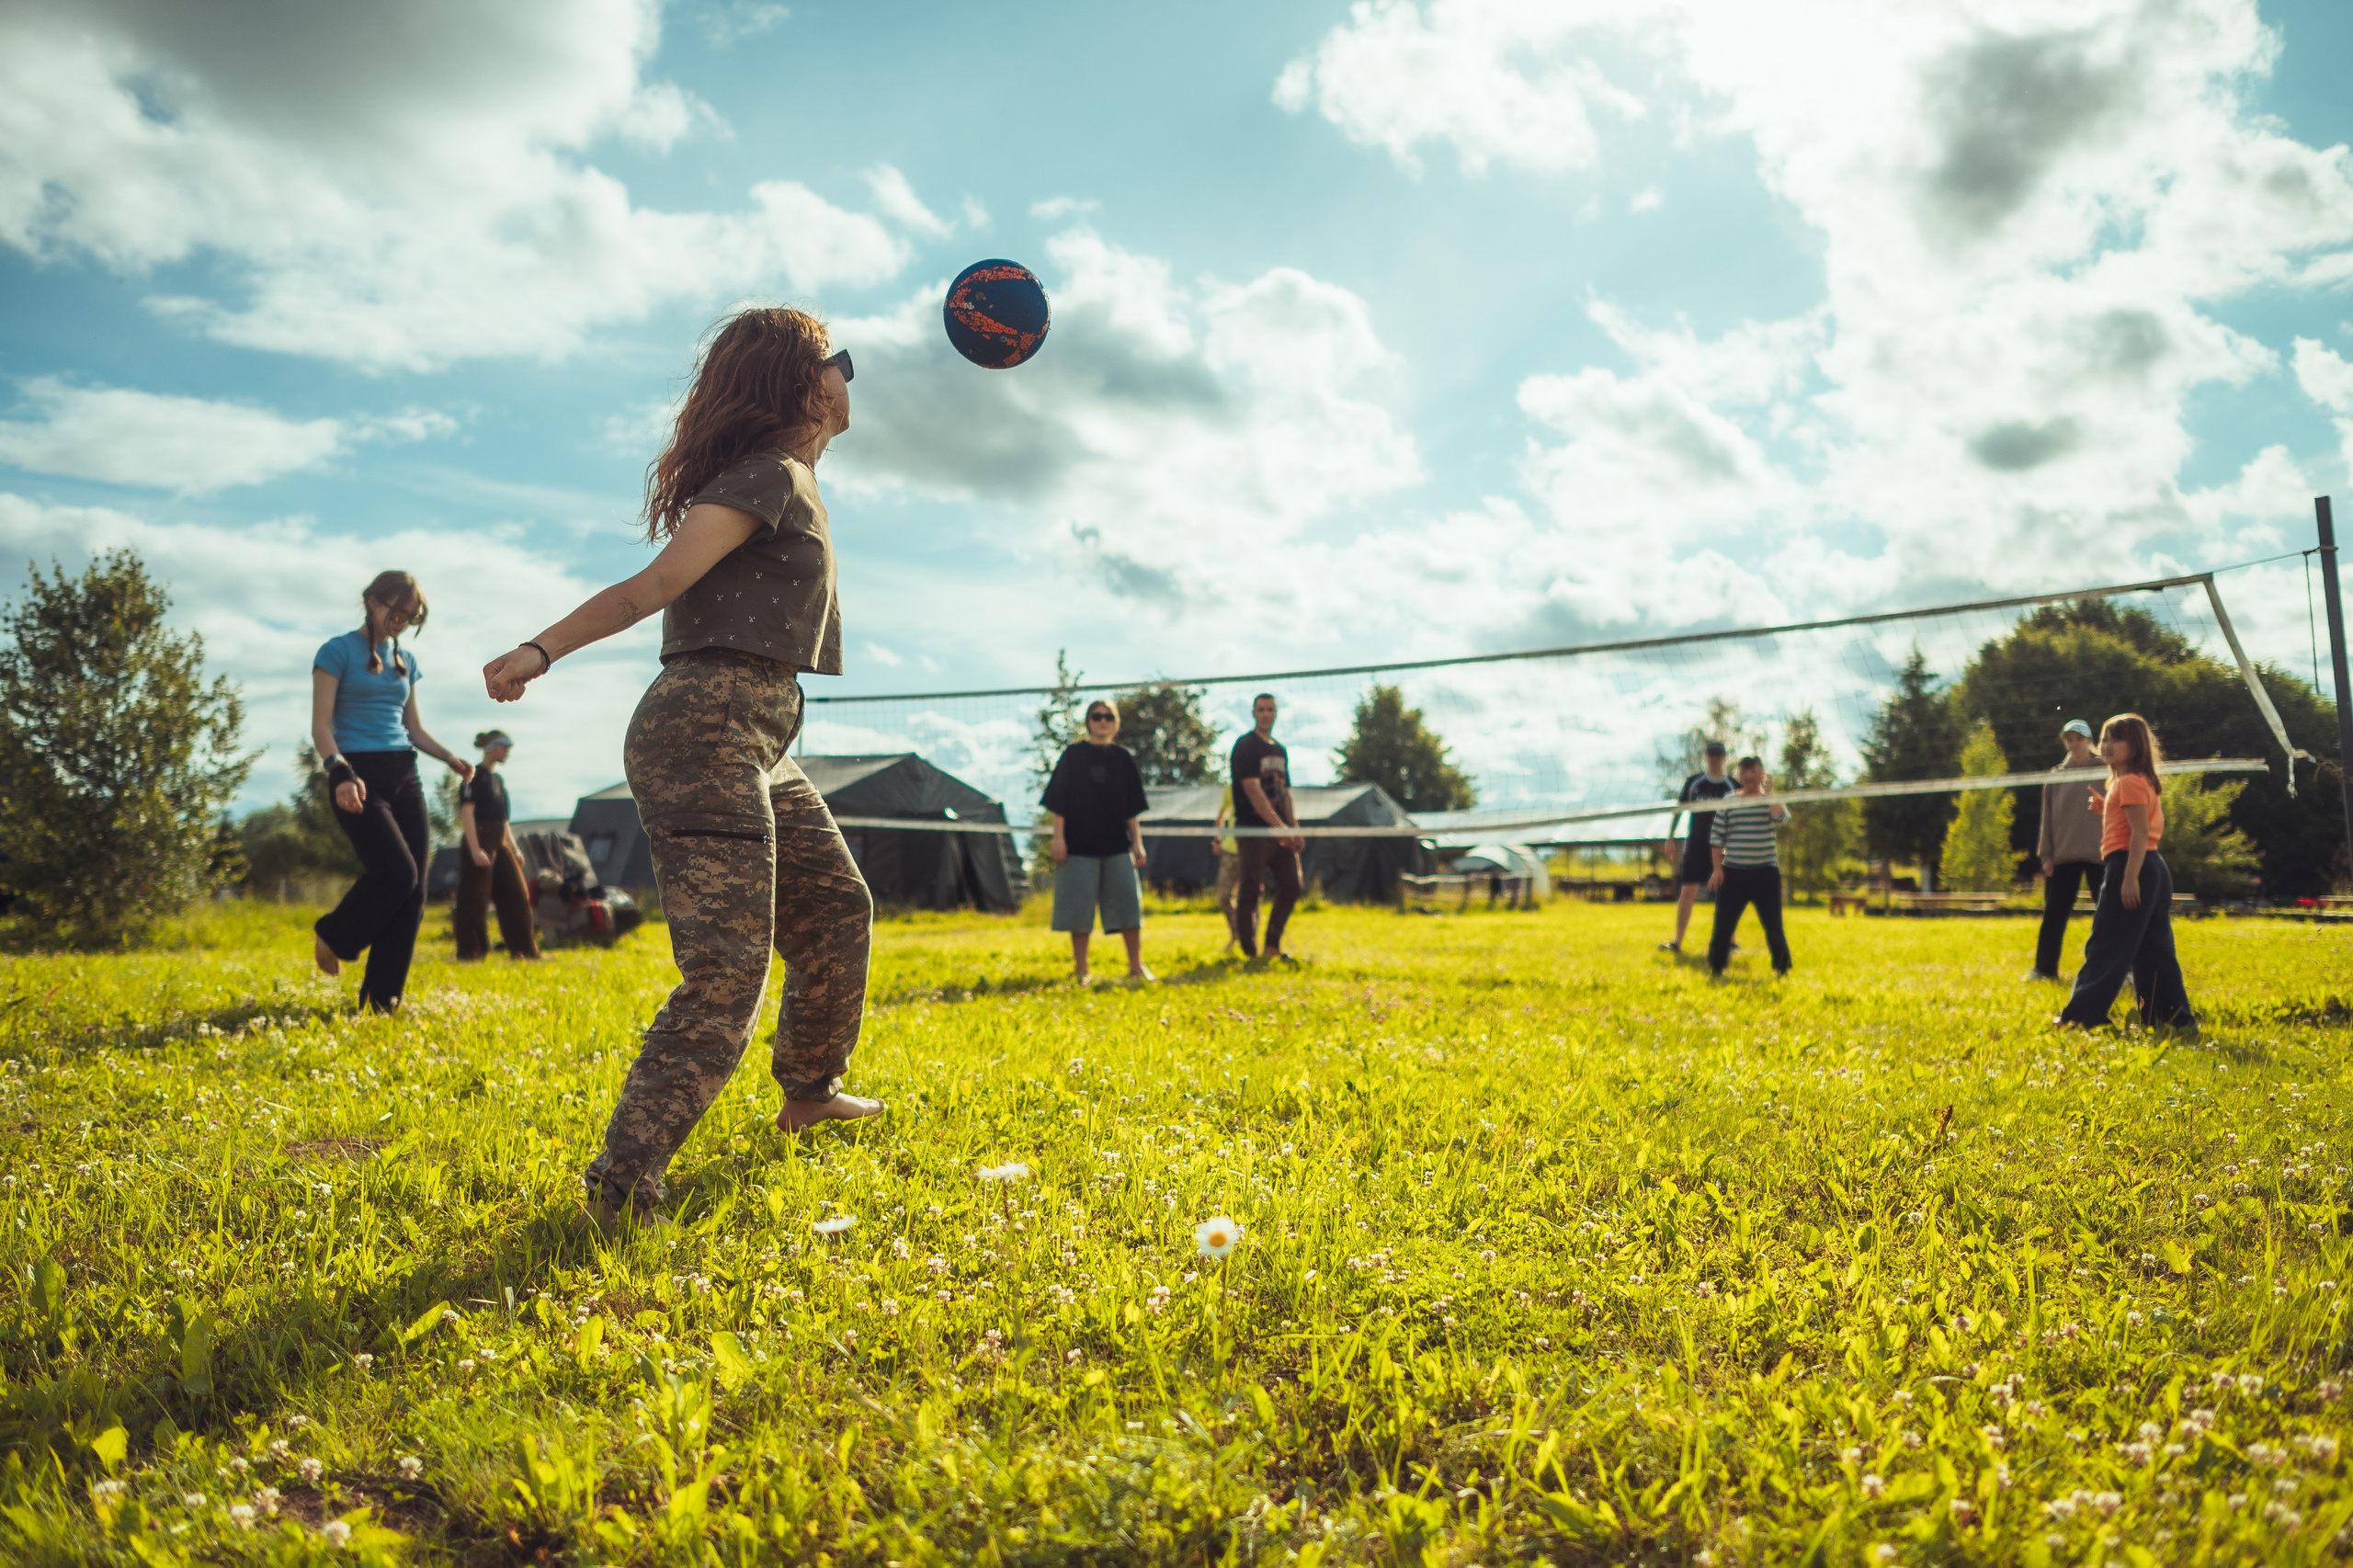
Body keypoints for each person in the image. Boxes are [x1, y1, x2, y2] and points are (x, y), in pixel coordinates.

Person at [482, 305, 881, 1230]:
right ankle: (624, 1183)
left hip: (754, 736)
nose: (851, 377)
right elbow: (651, 587)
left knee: (833, 901)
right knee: (726, 969)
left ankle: (810, 1090)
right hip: (707, 729)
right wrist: (538, 651)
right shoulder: (765, 475)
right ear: (801, 383)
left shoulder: (790, 478)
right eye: (839, 361)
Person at [311, 571, 473, 1013]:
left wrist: (450, 758)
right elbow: (320, 726)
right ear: (372, 601)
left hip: (405, 772)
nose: (402, 622)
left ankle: (381, 1001)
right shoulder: (336, 652)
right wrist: (340, 772)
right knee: (397, 874)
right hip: (355, 773)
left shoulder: (407, 662)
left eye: (412, 617)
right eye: (397, 612)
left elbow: (413, 728)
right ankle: (333, 934)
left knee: (416, 890)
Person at [2057, 714, 2196, 1033]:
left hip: (2133, 865)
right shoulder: (2135, 781)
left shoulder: (2128, 782)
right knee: (2154, 949)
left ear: (2135, 746)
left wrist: (2130, 877)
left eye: (2114, 739)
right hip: (2151, 867)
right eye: (2104, 739)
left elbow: (2138, 833)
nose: (2106, 746)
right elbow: (2133, 820)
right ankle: (2170, 1017)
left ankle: (2080, 1017)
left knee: (2106, 944)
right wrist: (2106, 807)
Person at [1041, 699, 1152, 983]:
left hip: (1116, 846)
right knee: (1079, 910)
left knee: (1129, 905)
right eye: (1096, 716)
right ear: (1088, 721)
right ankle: (1081, 971)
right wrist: (1058, 839)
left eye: (1108, 717)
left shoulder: (1123, 758)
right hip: (1077, 846)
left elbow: (1132, 808)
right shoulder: (1073, 755)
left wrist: (1137, 843)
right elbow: (1058, 802)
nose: (1102, 721)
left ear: (1115, 722)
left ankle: (1136, 967)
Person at [454, 729, 541, 962]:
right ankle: (471, 953)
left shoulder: (497, 780)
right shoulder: (473, 776)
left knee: (516, 894)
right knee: (474, 897)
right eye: (505, 748)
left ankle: (524, 950)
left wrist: (514, 848)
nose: (507, 753)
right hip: (479, 837)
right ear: (493, 748)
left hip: (499, 840)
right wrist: (475, 849)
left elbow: (503, 820)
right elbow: (467, 811)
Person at [1230, 692, 1304, 965]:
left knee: (1292, 886)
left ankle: (1272, 946)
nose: (1265, 714)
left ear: (1276, 713)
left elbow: (1285, 791)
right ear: (1253, 713)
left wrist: (1293, 828)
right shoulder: (1245, 746)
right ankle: (1249, 953)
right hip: (1254, 831)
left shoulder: (1279, 750)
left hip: (1280, 831)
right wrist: (1279, 827)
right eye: (1260, 709)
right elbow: (1253, 790)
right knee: (1251, 889)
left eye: (1270, 709)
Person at [2029, 718, 2106, 981]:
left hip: (2102, 855)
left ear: (2088, 740)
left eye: (2078, 738)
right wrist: (2047, 855)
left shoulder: (2107, 770)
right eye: (2068, 738)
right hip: (2063, 856)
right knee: (2053, 916)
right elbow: (2047, 819)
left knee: (2110, 915)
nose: (2073, 743)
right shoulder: (2056, 776)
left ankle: (2123, 969)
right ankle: (2044, 969)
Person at [1706, 755, 1791, 976]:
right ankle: (1717, 967)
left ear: (1761, 774)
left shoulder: (1768, 800)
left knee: (1773, 926)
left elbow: (1782, 818)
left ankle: (1782, 968)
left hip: (1766, 872)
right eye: (1744, 772)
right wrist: (1717, 869)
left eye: (1753, 771)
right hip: (1733, 873)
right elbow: (1716, 836)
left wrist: (1770, 793)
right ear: (1738, 775)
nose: (1749, 776)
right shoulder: (1729, 800)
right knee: (1723, 924)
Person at [1660, 741, 1734, 953]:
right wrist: (1670, 838)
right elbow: (1679, 809)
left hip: (1723, 847)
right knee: (1688, 890)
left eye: (1718, 755)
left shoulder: (1731, 785)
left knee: (1727, 893)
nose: (1715, 758)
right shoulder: (1694, 783)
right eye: (1711, 754)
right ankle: (1677, 941)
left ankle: (1730, 941)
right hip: (1696, 845)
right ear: (1706, 756)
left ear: (1724, 758)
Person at [1212, 782, 1242, 955]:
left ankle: (1249, 940)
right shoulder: (1230, 787)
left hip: (1250, 850)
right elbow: (1220, 817)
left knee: (1249, 897)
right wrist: (1218, 840)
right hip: (1230, 851)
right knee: (1223, 896)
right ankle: (1236, 933)